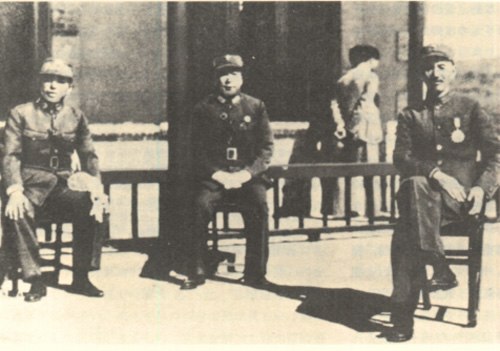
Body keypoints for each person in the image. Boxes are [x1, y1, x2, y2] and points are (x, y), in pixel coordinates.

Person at [384, 45, 499, 342]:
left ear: (453, 70)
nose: (435, 73)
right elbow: (401, 157)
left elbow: (494, 156)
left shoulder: (470, 107)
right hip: (423, 199)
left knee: (407, 222)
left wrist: (480, 188)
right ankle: (439, 266)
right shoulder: (411, 114)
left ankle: (403, 313)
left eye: (442, 66)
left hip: (459, 201)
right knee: (414, 188)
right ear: (421, 74)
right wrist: (436, 174)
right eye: (429, 67)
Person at [0, 58, 108, 302]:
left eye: (60, 81)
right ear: (40, 83)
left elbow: (89, 155)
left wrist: (96, 188)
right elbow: (10, 156)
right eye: (47, 80)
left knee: (92, 206)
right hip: (29, 185)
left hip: (61, 187)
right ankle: (35, 279)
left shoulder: (76, 117)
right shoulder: (21, 113)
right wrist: (14, 190)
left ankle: (81, 276)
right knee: (19, 210)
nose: (52, 86)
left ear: (69, 88)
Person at [184, 54, 274, 290]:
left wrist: (246, 174)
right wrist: (217, 174)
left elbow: (265, 149)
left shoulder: (255, 106)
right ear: (216, 79)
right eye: (223, 74)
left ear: (242, 79)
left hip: (246, 177)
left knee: (259, 206)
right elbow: (195, 150)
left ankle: (256, 273)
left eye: (234, 74)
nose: (228, 80)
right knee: (200, 205)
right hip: (215, 177)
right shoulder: (203, 109)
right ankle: (197, 270)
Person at [280, 45, 382, 218]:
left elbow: (335, 105)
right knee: (371, 171)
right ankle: (373, 210)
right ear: (371, 59)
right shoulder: (370, 76)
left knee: (341, 172)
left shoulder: (344, 79)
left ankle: (337, 209)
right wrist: (353, 127)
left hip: (341, 131)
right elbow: (364, 105)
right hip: (365, 131)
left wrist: (342, 126)